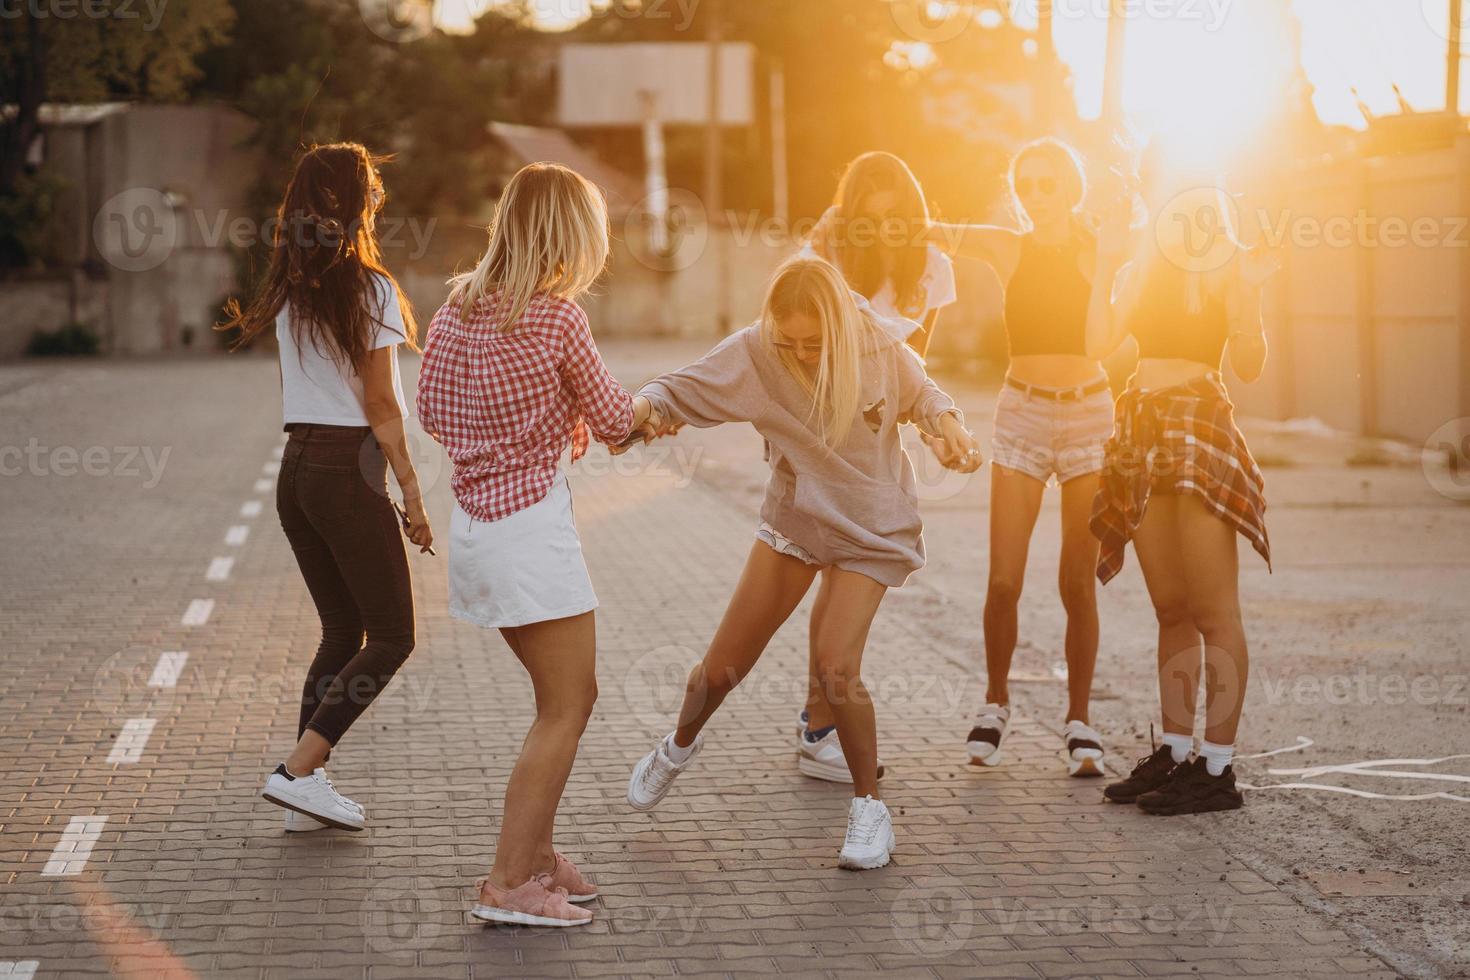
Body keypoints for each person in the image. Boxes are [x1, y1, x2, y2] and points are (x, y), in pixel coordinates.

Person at [619, 257, 981, 870]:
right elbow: (676, 389)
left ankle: (870, 813)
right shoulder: (758, 353)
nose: (803, 353)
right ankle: (676, 748)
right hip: (798, 521)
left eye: (816, 343)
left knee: (837, 665)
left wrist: (949, 427)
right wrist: (640, 413)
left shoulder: (876, 341)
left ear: (840, 326)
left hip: (872, 526)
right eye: (791, 341)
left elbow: (922, 391)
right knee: (716, 673)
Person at [416, 163, 659, 926]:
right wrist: (654, 409)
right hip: (531, 533)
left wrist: (502, 435)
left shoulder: (454, 312)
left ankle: (541, 858)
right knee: (568, 704)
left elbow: (430, 409)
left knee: (556, 699)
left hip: (478, 531)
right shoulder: (559, 319)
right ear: (572, 234)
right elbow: (620, 421)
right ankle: (508, 883)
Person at [220, 142, 434, 834]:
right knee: (394, 635)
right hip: (348, 468)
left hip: (300, 469)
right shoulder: (370, 288)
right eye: (370, 187)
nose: (379, 197)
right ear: (348, 202)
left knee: (344, 628)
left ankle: (304, 789)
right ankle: (297, 773)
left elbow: (298, 391)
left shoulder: (292, 292)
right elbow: (381, 403)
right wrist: (413, 495)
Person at [927, 138, 1126, 775]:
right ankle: (995, 702)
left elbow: (1125, 313)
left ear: (1072, 186)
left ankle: (1079, 721)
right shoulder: (1007, 244)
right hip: (1021, 412)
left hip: (1090, 414)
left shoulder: (1103, 246)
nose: (1037, 194)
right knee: (1004, 581)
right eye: (1027, 184)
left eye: (1049, 183)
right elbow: (923, 229)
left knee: (1076, 581)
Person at [1089, 165, 1277, 816]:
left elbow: (1249, 365)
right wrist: (1105, 261)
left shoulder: (1227, 265)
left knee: (1213, 610)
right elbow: (1097, 344)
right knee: (1171, 607)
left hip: (1198, 425)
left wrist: (1249, 295)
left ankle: (1217, 771)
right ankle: (1173, 752)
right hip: (1140, 428)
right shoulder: (1137, 266)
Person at [793, 150, 958, 783]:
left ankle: (819, 722)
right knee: (835, 570)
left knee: (849, 574)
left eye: (895, 219)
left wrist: (935, 425)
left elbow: (918, 360)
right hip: (824, 425)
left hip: (881, 431)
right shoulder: (827, 255)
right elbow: (799, 335)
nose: (883, 229)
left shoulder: (935, 268)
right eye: (870, 217)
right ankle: (819, 725)